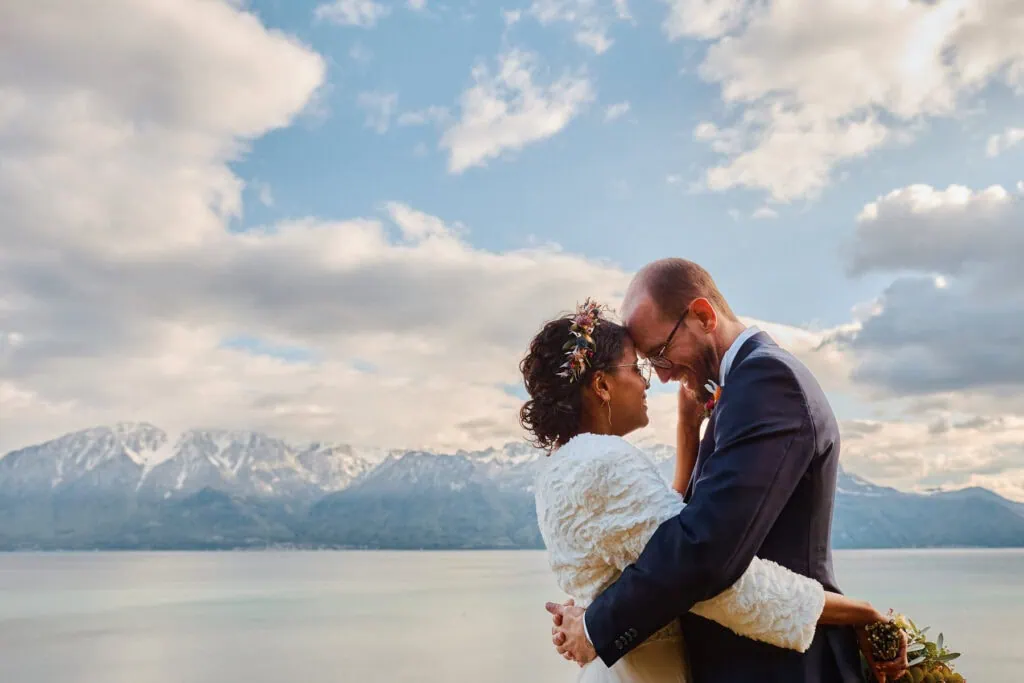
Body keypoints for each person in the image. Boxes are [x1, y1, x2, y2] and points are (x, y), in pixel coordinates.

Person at [528, 260, 907, 683]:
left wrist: (597, 623)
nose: (663, 377)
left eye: (659, 354)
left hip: (776, 668)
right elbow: (684, 541)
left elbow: (703, 549)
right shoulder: (743, 389)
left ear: (704, 317)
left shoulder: (767, 380)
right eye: (645, 365)